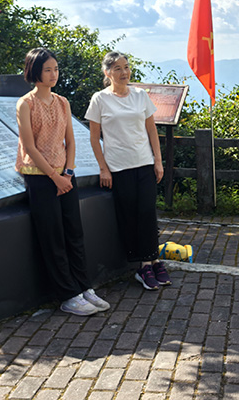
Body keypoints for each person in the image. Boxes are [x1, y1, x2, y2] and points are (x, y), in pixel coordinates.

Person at [15, 48, 110, 316]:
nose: (53, 74)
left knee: (74, 233)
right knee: (53, 236)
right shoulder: (25, 104)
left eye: (56, 69)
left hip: (66, 176)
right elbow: (29, 147)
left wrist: (67, 172)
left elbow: (70, 140)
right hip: (40, 177)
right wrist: (55, 177)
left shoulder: (62, 102)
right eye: (47, 70)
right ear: (34, 72)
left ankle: (83, 286)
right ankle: (68, 295)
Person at [84, 51, 169, 290]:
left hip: (144, 162)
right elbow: (94, 138)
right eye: (118, 68)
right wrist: (103, 169)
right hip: (119, 166)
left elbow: (152, 130)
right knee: (131, 215)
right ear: (107, 73)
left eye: (126, 67)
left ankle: (153, 260)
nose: (124, 72)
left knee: (148, 213)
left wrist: (158, 160)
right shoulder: (100, 99)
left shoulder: (140, 95)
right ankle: (143, 266)